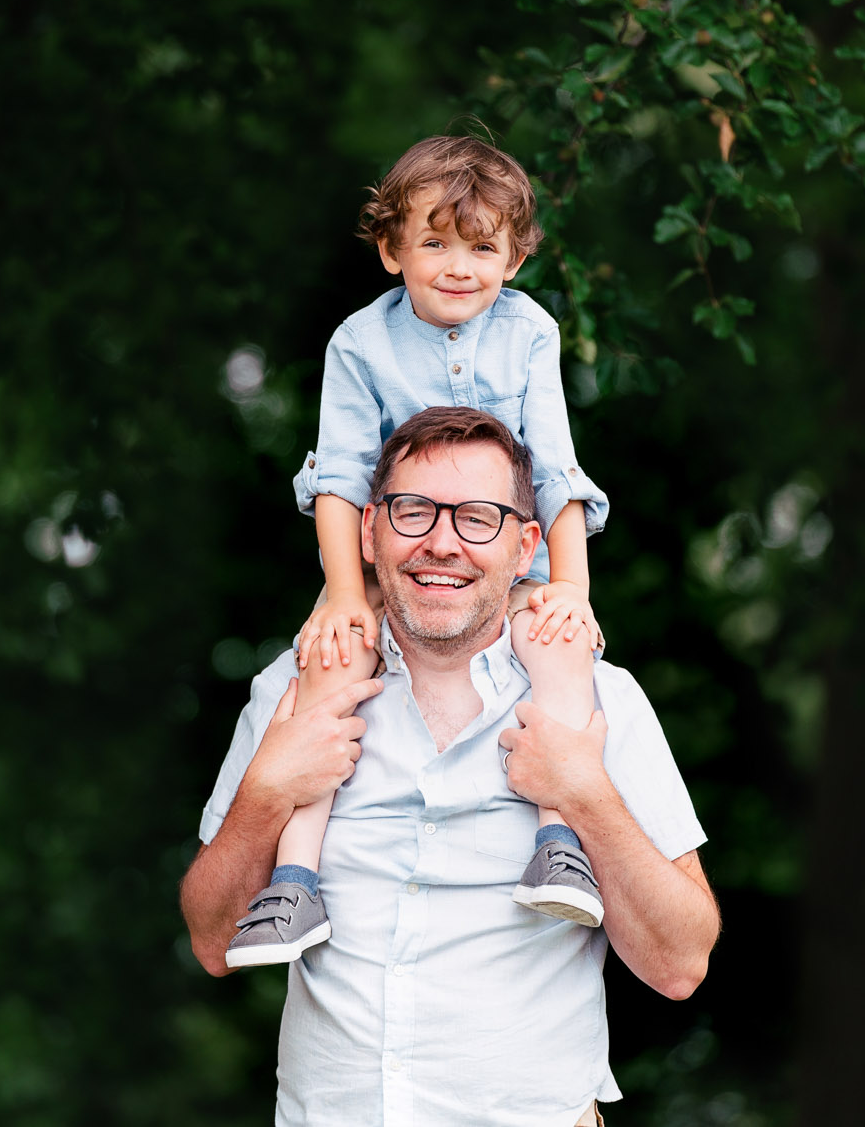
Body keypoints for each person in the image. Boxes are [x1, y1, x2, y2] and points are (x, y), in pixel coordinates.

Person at [180, 408, 720, 1126]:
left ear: (526, 543)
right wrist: (268, 791)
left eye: (478, 518)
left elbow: (680, 963)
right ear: (368, 531)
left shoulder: (599, 698)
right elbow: (213, 943)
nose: (441, 544)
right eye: (413, 512)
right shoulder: (298, 687)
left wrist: (583, 793)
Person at [229, 135, 614, 970]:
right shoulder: (359, 344)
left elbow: (554, 470)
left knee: (557, 648)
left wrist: (570, 588)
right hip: (389, 565)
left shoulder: (531, 333)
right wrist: (342, 594)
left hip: (504, 563)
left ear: (514, 258)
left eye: (483, 247)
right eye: (434, 242)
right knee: (334, 665)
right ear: (390, 248)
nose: (458, 266)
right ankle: (295, 880)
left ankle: (560, 843)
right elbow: (336, 476)